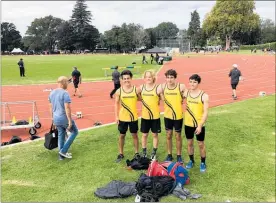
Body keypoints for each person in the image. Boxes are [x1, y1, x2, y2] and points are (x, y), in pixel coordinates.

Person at [183, 74, 209, 173]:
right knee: (189, 143)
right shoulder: (186, 93)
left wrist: (200, 125)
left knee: (200, 144)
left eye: (194, 82)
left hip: (199, 124)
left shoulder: (204, 96)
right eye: (190, 82)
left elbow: (206, 112)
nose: (192, 84)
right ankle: (191, 160)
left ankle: (203, 162)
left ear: (198, 83)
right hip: (188, 123)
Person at [49, 76, 79, 160]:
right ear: (63, 83)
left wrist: (53, 120)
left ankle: (61, 156)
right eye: (67, 83)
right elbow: (67, 108)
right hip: (63, 118)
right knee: (75, 132)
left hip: (56, 118)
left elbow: (50, 108)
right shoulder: (65, 93)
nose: (68, 84)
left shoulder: (51, 93)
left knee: (61, 134)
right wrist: (69, 120)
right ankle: (63, 151)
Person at [160, 69, 185, 163]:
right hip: (167, 116)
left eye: (171, 77)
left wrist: (182, 97)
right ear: (166, 78)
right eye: (168, 77)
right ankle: (169, 155)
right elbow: (157, 93)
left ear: (175, 78)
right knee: (168, 135)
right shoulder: (162, 87)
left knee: (178, 136)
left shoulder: (180, 87)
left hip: (178, 116)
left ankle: (179, 155)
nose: (169, 79)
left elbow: (185, 95)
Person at [114, 70, 139, 163]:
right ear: (121, 79)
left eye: (128, 78)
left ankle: (136, 153)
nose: (126, 80)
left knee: (134, 135)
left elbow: (142, 99)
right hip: (122, 118)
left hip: (133, 117)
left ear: (131, 78)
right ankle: (121, 153)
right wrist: (116, 116)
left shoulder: (136, 89)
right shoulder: (119, 91)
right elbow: (116, 104)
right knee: (122, 135)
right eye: (124, 79)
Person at [137, 70, 162, 159]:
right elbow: (135, 94)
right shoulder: (141, 87)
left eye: (150, 77)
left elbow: (163, 98)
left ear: (153, 78)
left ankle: (154, 153)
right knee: (144, 135)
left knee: (155, 135)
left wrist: (159, 99)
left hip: (155, 116)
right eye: (147, 77)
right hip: (145, 116)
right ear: (144, 78)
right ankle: (144, 152)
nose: (148, 78)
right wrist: (141, 99)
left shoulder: (158, 88)